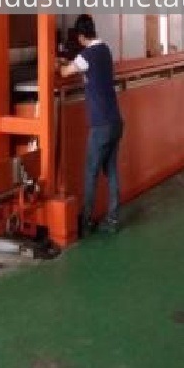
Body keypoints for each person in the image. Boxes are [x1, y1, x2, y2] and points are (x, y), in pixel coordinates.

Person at [58, 15, 123, 235]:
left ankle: (85, 222)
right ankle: (113, 219)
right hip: (115, 121)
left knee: (91, 173)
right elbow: (83, 67)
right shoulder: (105, 49)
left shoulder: (86, 55)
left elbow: (65, 72)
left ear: (80, 36)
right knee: (111, 171)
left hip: (100, 125)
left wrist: (57, 62)